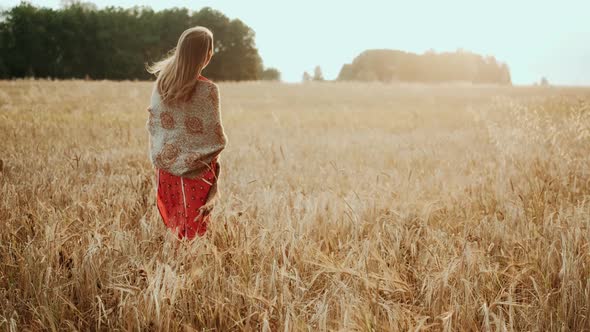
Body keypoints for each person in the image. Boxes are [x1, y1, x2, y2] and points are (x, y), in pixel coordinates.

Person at [146, 26, 227, 240]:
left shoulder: (162, 83)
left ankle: (177, 269)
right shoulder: (209, 90)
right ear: (207, 54)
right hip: (198, 171)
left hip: (166, 168)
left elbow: (155, 123)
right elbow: (213, 135)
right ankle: (187, 271)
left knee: (176, 229)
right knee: (194, 232)